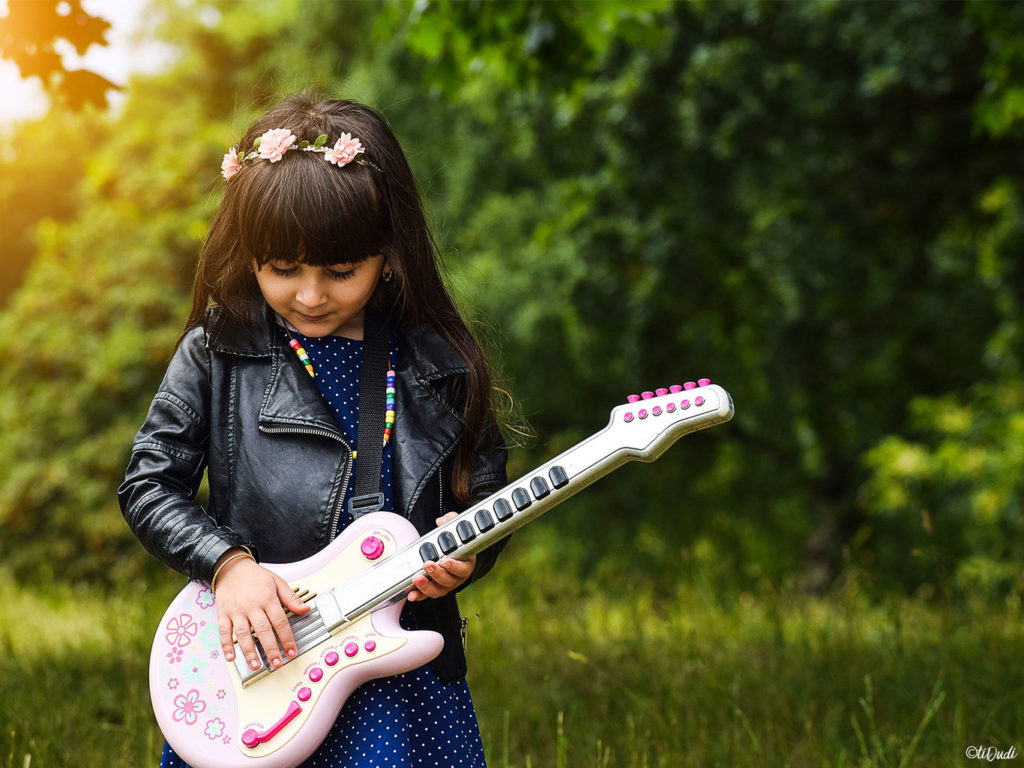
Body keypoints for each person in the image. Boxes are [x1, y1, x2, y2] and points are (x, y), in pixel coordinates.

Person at [118, 93, 509, 767]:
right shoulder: (217, 350)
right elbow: (150, 483)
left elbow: (485, 488)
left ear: (388, 253)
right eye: (282, 269)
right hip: (266, 655)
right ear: (249, 256)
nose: (309, 295)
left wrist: (468, 551)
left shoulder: (437, 361)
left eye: (339, 271)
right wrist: (228, 565)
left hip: (398, 672)